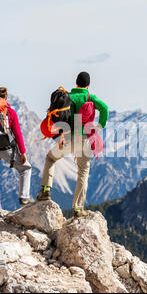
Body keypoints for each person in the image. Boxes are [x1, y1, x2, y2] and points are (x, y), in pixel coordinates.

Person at [36, 72, 109, 218]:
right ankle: (78, 209)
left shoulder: (68, 97)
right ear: (88, 85)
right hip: (86, 139)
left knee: (51, 158)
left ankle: (45, 190)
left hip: (69, 138)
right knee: (83, 172)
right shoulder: (90, 97)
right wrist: (99, 126)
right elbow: (105, 108)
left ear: (76, 83)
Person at [0, 87, 33, 220]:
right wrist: (23, 152)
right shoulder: (9, 111)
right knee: (25, 168)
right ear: (6, 98)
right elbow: (17, 133)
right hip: (7, 148)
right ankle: (24, 197)